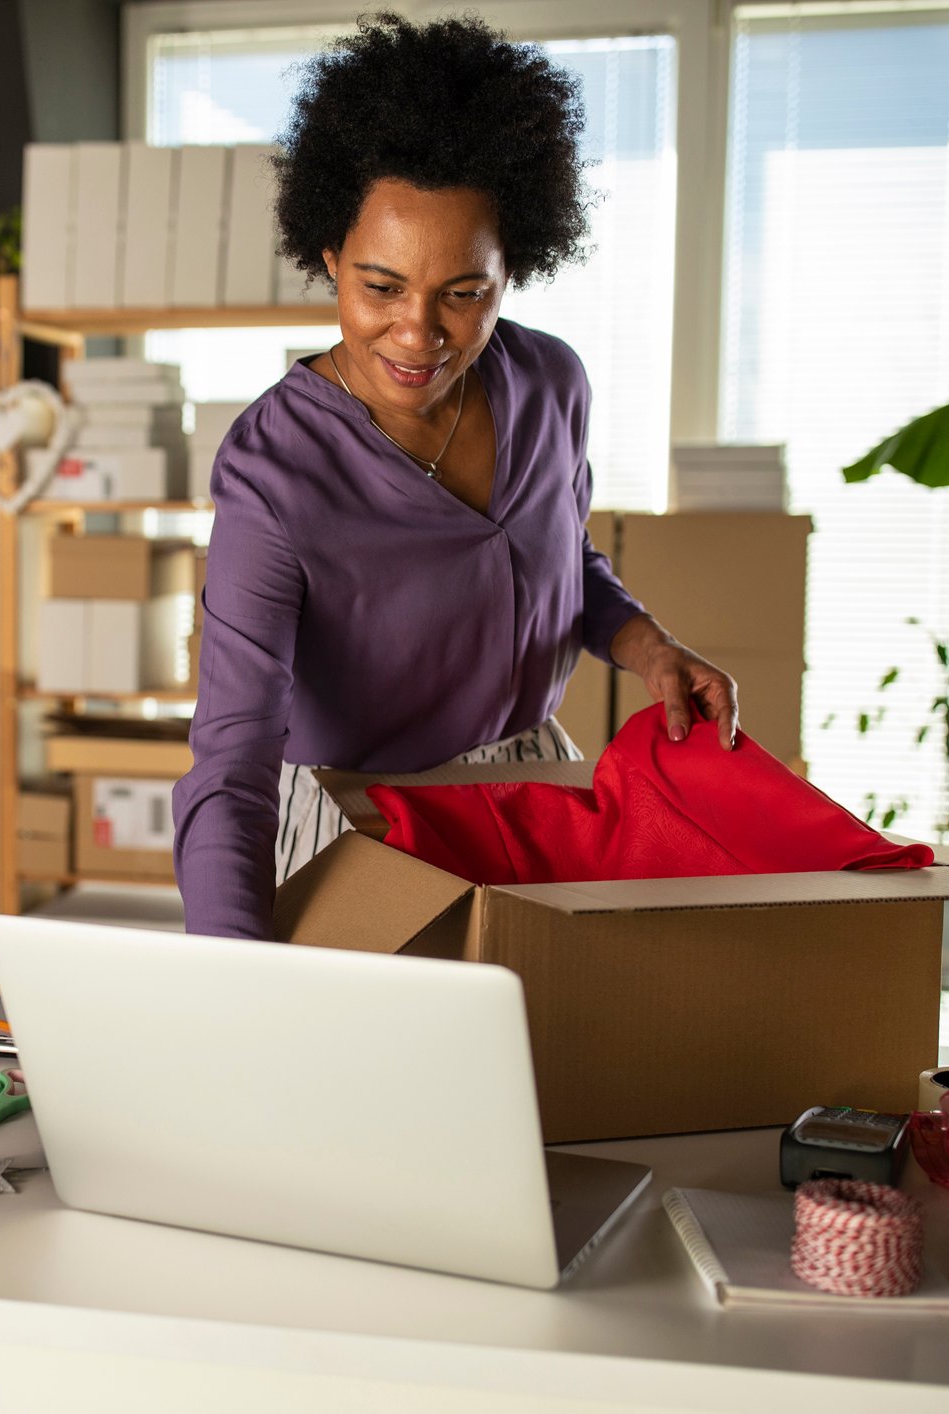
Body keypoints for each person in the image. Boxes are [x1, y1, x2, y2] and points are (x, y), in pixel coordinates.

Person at [171, 12, 739, 942]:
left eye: (462, 293)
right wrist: (233, 972)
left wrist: (649, 648)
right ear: (328, 259)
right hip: (357, 826)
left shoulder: (550, 383)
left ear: (514, 266)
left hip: (534, 793)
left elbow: (562, 560)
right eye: (380, 286)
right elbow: (232, 753)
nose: (417, 332)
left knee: (557, 1068)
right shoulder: (273, 471)